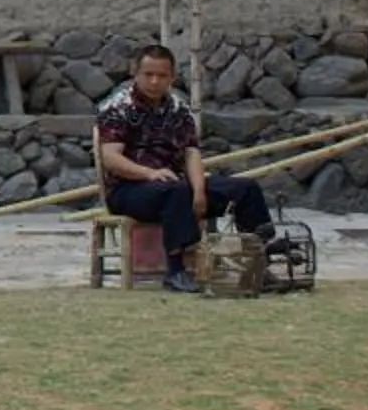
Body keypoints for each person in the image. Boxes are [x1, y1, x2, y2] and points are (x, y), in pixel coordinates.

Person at [95, 42, 271, 293]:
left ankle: (260, 263)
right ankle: (176, 271)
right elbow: (111, 158)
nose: (155, 81)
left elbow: (191, 152)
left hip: (176, 185)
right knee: (175, 190)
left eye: (162, 75)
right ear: (136, 74)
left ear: (172, 77)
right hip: (129, 190)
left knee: (245, 188)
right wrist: (149, 174)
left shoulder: (179, 109)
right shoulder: (117, 107)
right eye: (148, 74)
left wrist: (199, 190)